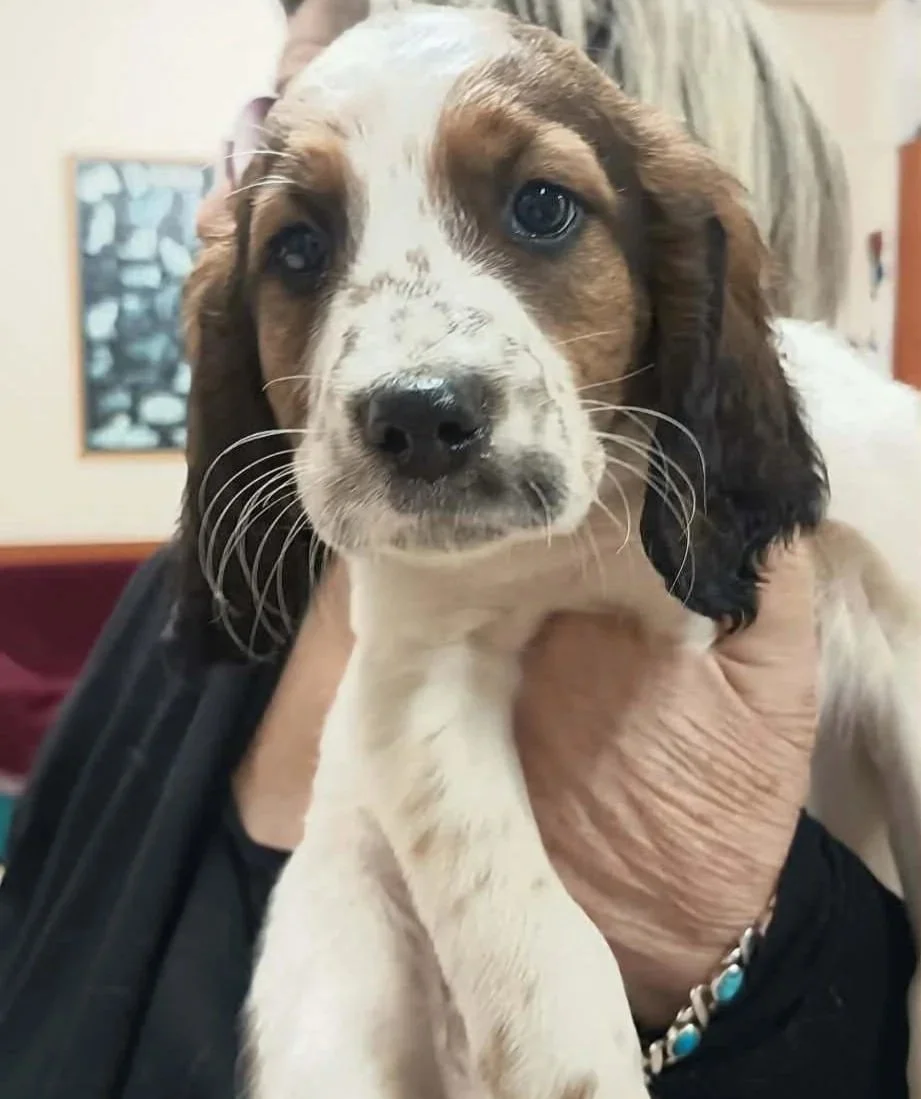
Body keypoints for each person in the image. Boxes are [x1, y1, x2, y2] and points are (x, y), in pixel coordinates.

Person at [0, 2, 912, 1098]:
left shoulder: (862, 512)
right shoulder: (170, 621)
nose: (213, 216)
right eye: (295, 230)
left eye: (538, 208)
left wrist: (716, 930)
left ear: (670, 260)